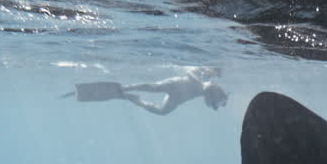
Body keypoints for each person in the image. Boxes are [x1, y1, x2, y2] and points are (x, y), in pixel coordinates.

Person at [61, 67, 227, 115]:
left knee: (162, 111)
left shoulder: (210, 92)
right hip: (177, 85)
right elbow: (190, 72)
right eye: (215, 103)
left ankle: (134, 99)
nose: (213, 105)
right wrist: (201, 83)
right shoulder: (209, 82)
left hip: (179, 97)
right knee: (152, 87)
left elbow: (208, 100)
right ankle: (126, 89)